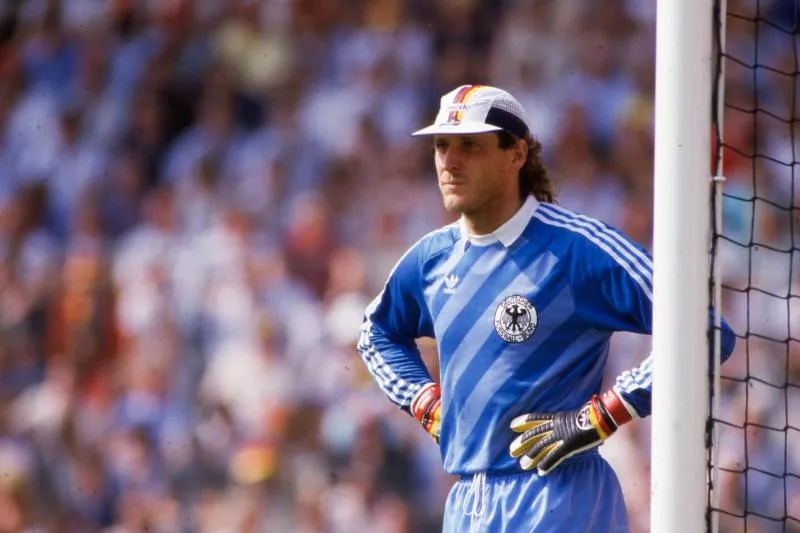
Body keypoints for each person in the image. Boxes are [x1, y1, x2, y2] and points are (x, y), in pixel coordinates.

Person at [356, 84, 736, 532]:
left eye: (469, 146)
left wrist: (602, 416)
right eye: (441, 146)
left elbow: (706, 332)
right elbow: (375, 334)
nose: (449, 162)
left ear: (515, 154)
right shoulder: (430, 259)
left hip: (560, 498)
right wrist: (426, 403)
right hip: (466, 505)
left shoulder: (577, 250)